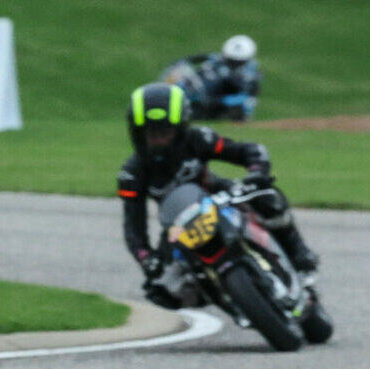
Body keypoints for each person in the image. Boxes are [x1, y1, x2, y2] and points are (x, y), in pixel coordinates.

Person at [120, 82, 318, 311]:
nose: (157, 140)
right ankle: (220, 295)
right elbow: (133, 228)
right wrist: (147, 259)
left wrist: (257, 172)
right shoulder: (131, 174)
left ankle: (300, 255)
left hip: (221, 196)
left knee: (268, 197)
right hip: (179, 227)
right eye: (150, 134)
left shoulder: (199, 139)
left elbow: (248, 151)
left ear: (181, 128)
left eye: (164, 133)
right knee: (161, 290)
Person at [162, 34, 262, 121]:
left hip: (217, 104)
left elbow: (247, 99)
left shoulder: (250, 75)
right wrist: (180, 64)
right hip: (199, 92)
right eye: (230, 60)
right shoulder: (217, 60)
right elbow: (197, 58)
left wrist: (218, 101)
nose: (232, 64)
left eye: (237, 62)